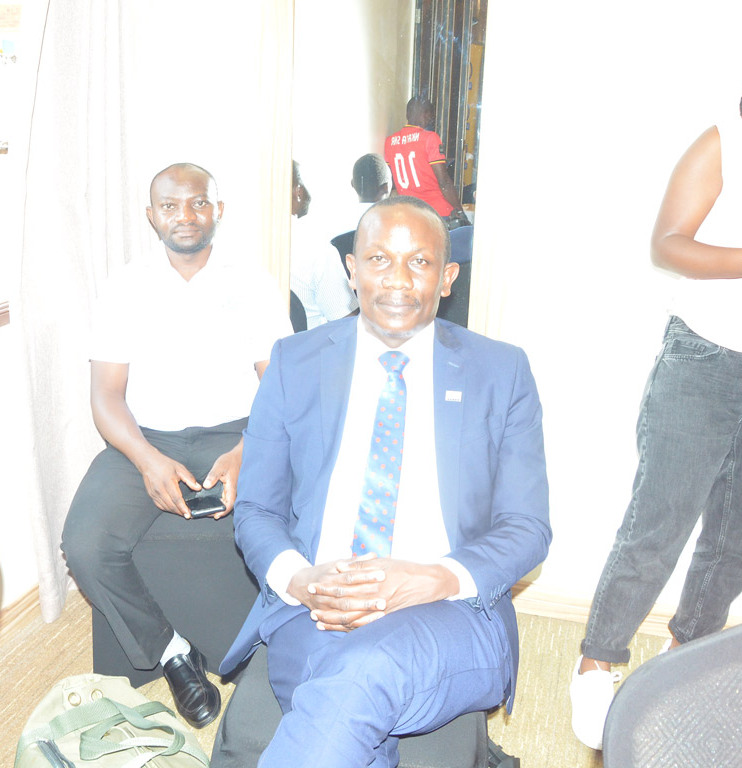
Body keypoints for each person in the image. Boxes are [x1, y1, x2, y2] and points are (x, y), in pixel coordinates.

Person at [569, 0, 742, 750]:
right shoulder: (724, 142)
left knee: (740, 541)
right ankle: (599, 659)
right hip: (703, 360)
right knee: (657, 526)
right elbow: (668, 245)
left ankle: (688, 652)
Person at [219, 196, 552, 767]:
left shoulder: (501, 371)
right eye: (378, 259)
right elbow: (256, 510)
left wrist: (431, 578)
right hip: (320, 605)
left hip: (451, 609)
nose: (397, 280)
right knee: (352, 714)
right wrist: (301, 580)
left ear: (447, 278)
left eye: (419, 262)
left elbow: (527, 528)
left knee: (362, 676)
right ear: (351, 270)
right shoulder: (293, 362)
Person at [62, 163, 291, 728]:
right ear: (151, 216)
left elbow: (281, 391)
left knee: (288, 527)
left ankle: (271, 659)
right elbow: (106, 398)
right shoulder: (124, 287)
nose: (184, 216)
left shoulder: (254, 284)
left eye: (197, 203)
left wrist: (248, 450)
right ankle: (171, 654)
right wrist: (146, 459)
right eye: (170, 206)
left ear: (217, 209)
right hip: (147, 436)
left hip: (235, 432)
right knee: (84, 544)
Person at [289, 160, 358, 328]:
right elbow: (347, 324)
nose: (308, 195)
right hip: (310, 351)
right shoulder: (317, 250)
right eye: (304, 186)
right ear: (298, 192)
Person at [383, 97, 470, 228]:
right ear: (427, 114)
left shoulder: (389, 142)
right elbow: (444, 182)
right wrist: (459, 210)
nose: (431, 119)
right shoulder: (430, 138)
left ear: (407, 114)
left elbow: (392, 181)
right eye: (430, 114)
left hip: (410, 213)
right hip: (438, 213)